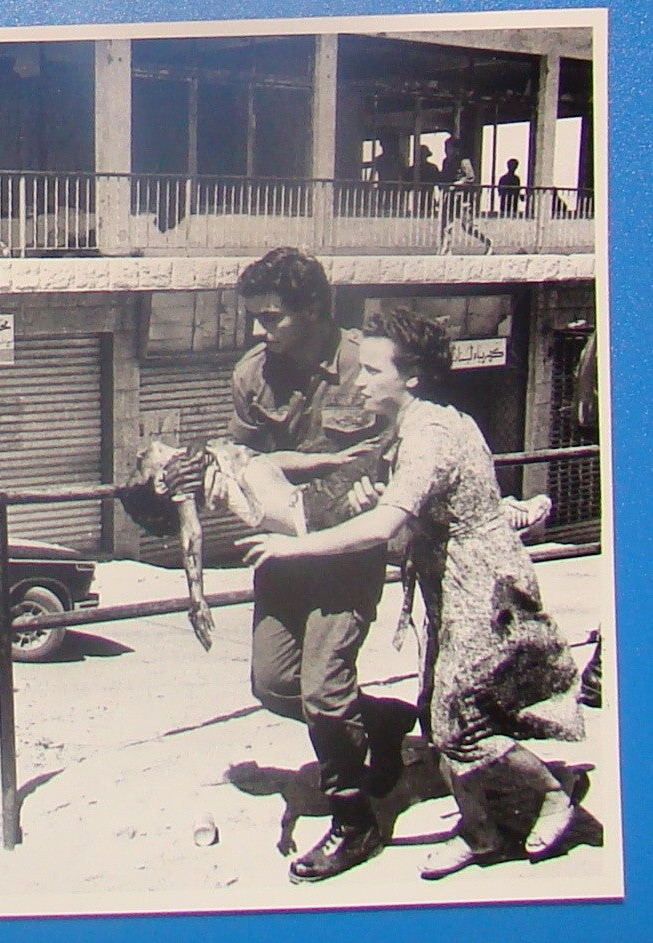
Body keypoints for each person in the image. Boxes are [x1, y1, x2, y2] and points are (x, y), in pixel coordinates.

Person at [237, 308, 585, 880]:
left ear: (412, 377)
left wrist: (293, 547)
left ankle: (551, 794)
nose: (359, 380)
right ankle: (481, 831)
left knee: (458, 723)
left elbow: (383, 528)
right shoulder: (408, 429)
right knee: (439, 713)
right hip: (447, 582)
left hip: (483, 587)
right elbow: (394, 507)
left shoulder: (432, 434)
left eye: (375, 371)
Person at [166, 247, 418, 884]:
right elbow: (245, 456)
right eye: (253, 318)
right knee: (275, 686)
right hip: (280, 548)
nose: (258, 330)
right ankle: (384, 721)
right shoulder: (253, 374)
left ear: (314, 312)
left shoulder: (368, 366)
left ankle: (355, 821)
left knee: (324, 695)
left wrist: (304, 472)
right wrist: (213, 465)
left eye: (271, 317)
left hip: (346, 548)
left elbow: (382, 454)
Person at [438, 136, 494, 255]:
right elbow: (444, 177)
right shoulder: (446, 162)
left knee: (468, 226)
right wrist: (443, 185)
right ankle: (446, 250)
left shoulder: (464, 161)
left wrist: (457, 184)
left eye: (449, 148)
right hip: (450, 196)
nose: (447, 150)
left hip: (462, 197)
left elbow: (470, 177)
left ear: (456, 149)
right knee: (447, 223)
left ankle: (488, 242)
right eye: (446, 148)